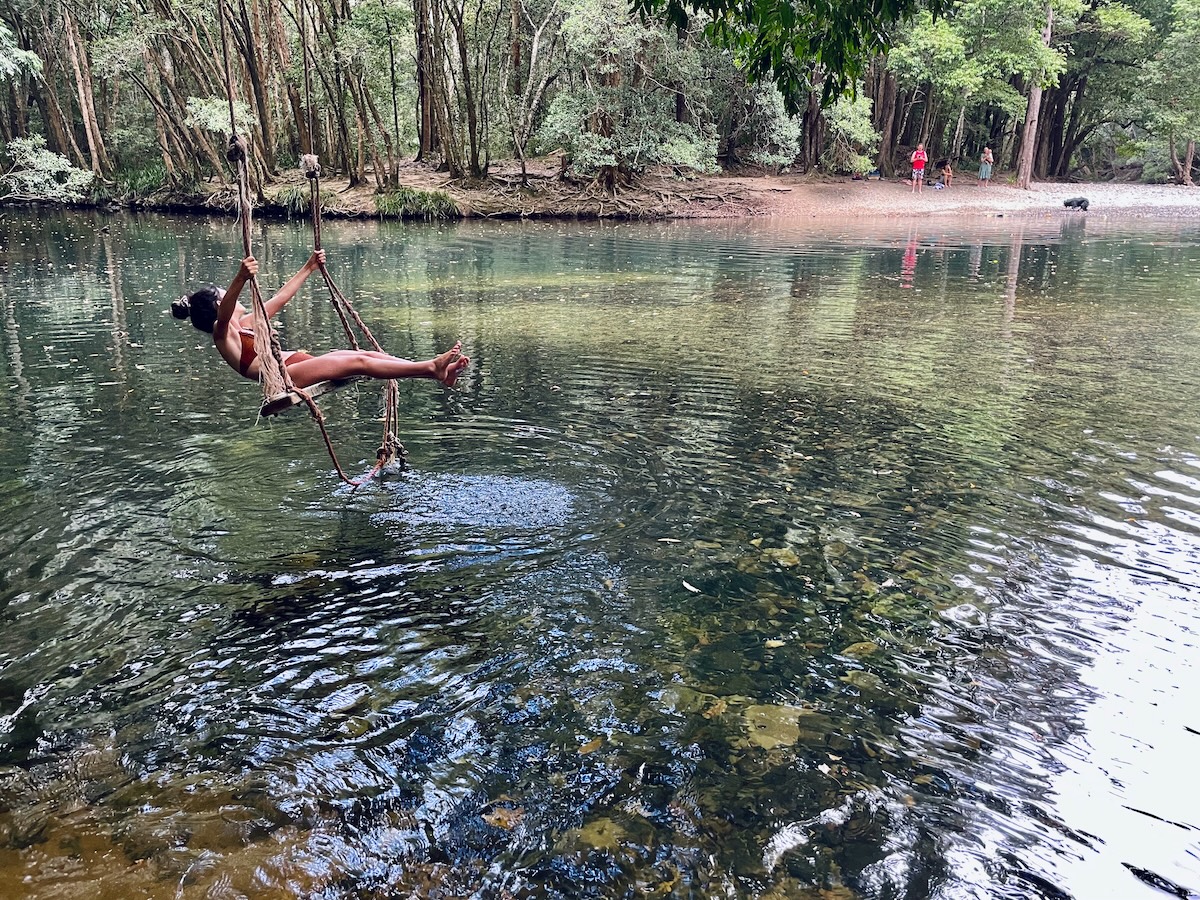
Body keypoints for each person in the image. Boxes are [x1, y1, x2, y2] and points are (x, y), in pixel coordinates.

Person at [171, 252, 469, 390]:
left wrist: (308, 267)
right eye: (227, 296)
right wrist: (239, 279)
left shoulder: (247, 323)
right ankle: (431, 366)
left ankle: (436, 374)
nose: (234, 300)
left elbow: (281, 298)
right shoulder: (222, 334)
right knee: (360, 364)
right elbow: (224, 313)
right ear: (220, 304)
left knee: (364, 355)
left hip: (298, 364)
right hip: (289, 377)